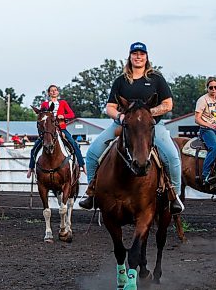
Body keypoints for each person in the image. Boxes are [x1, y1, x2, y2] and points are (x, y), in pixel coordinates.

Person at [79, 41, 184, 215]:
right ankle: (92, 192)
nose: (138, 57)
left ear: (146, 57)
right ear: (130, 57)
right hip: (123, 125)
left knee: (172, 156)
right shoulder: (121, 81)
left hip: (152, 125)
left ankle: (175, 195)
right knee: (92, 154)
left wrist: (147, 114)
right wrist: (120, 117)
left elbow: (168, 104)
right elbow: (110, 107)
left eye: (141, 54)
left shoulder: (156, 79)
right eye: (135, 54)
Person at [27, 84, 86, 178]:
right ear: (49, 93)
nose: (54, 92)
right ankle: (31, 168)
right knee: (34, 148)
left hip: (61, 128)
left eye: (55, 90)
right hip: (48, 130)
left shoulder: (63, 103)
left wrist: (63, 116)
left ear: (58, 92)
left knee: (74, 144)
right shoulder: (44, 104)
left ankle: (82, 165)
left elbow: (71, 114)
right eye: (51, 90)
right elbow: (42, 116)